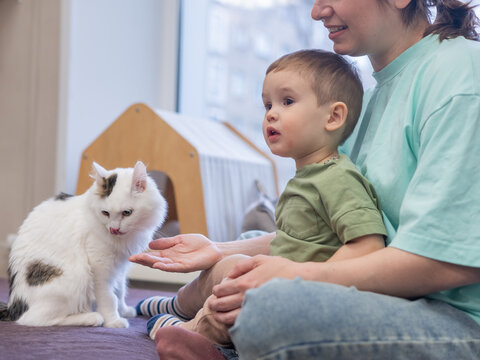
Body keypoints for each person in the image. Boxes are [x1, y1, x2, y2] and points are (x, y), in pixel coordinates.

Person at [132, 0, 480, 358]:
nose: (317, 12)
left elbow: (445, 263)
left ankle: (218, 341)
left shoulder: (462, 77)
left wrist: (294, 279)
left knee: (272, 306)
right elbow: (324, 232)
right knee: (246, 262)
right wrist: (220, 250)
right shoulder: (373, 96)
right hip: (387, 297)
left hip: (456, 320)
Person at [131, 49, 388, 346]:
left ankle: (191, 330)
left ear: (333, 116)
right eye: (267, 104)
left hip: (294, 294)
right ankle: (177, 305)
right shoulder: (308, 177)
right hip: (275, 282)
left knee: (236, 272)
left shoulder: (339, 179)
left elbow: (368, 246)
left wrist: (299, 278)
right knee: (222, 265)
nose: (271, 113)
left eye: (287, 101)